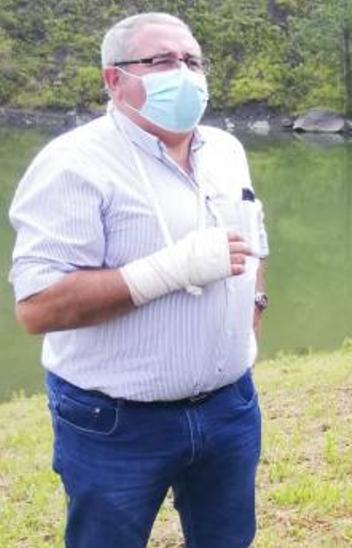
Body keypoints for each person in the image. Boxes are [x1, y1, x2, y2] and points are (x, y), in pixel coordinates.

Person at [8, 12, 268, 547]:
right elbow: (37, 308)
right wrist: (168, 272)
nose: (185, 73)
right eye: (162, 61)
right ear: (114, 79)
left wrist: (253, 308)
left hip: (229, 407)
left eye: (192, 60)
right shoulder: (72, 164)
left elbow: (252, 242)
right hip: (116, 423)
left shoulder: (226, 150)